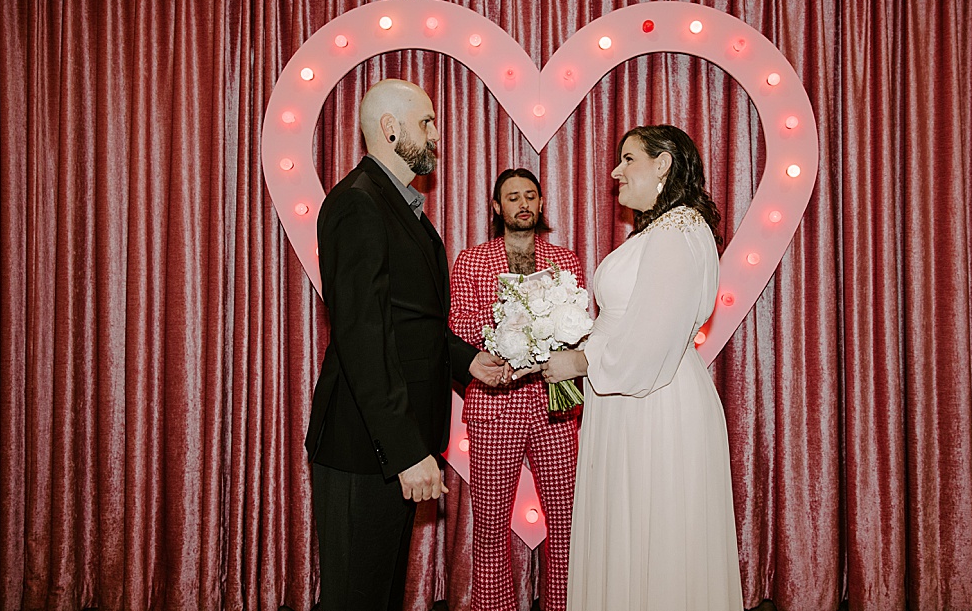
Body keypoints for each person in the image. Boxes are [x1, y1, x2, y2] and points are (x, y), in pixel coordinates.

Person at [306, 79, 509, 611]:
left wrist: (470, 362)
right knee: (356, 599)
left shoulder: (398, 206)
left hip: (392, 443)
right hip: (363, 446)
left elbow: (410, 325)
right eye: (427, 123)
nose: (437, 135)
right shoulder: (357, 204)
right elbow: (362, 338)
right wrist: (405, 451)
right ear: (390, 130)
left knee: (380, 595)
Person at [543, 125, 743, 611]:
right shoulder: (662, 229)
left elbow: (651, 341)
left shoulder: (678, 231)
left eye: (628, 158)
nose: (615, 172)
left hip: (653, 403)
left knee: (656, 534)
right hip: (630, 399)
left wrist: (580, 361)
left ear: (663, 164)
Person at [450, 169, 586, 611]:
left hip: (556, 408)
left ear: (542, 203)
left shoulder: (565, 261)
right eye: (512, 197)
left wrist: (551, 327)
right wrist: (511, 318)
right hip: (494, 406)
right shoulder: (472, 260)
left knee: (566, 523)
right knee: (490, 526)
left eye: (530, 196)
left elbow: (580, 327)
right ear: (497, 207)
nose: (522, 204)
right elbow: (458, 323)